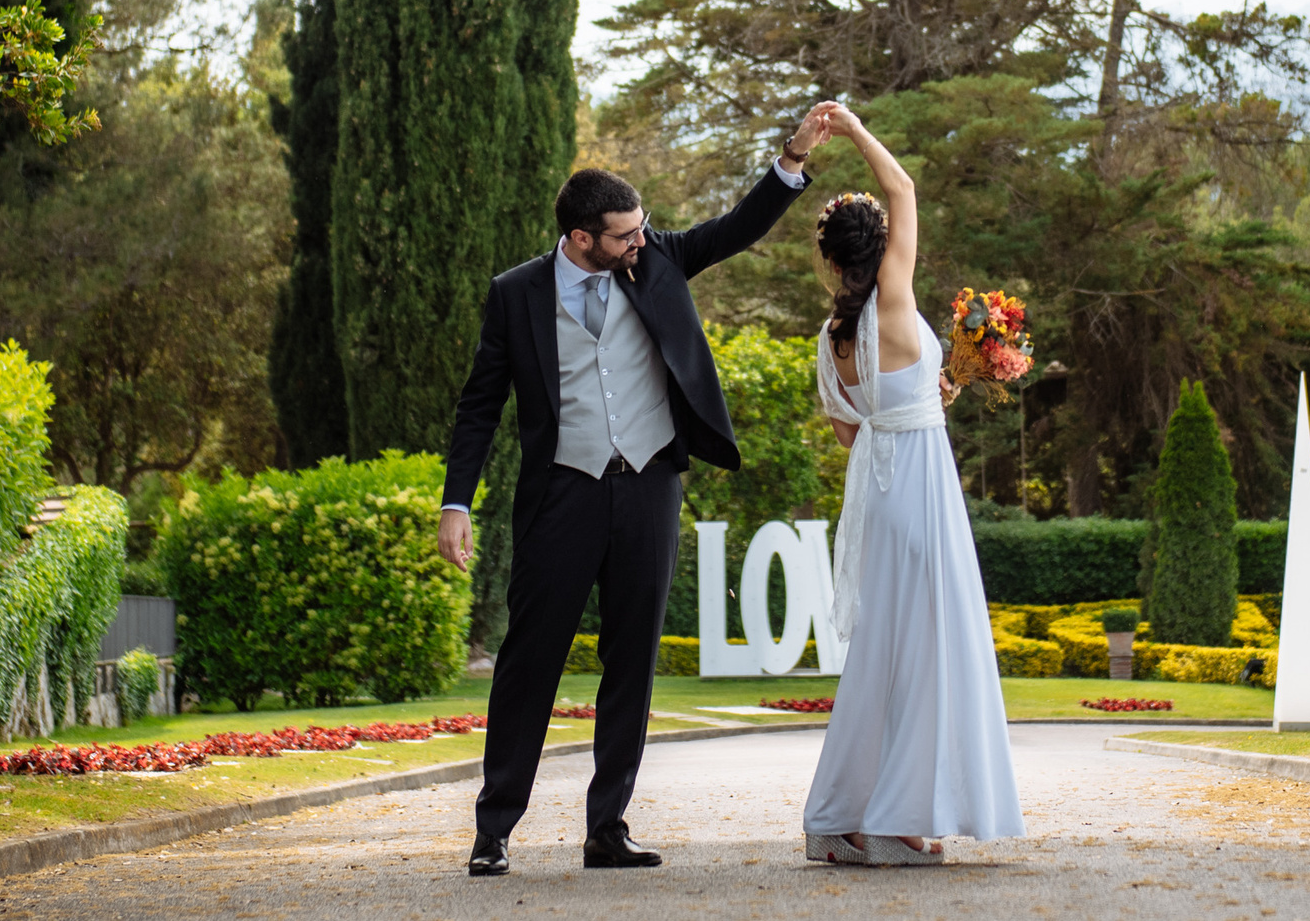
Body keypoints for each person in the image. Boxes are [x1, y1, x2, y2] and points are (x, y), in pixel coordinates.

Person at [438, 106, 835, 877]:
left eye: (641, 227)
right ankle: (494, 827)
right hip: (562, 495)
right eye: (623, 233)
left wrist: (791, 160)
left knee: (633, 661)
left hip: (649, 484)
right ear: (582, 236)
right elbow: (479, 405)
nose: (640, 240)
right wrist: (456, 501)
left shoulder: (654, 260)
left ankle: (606, 826)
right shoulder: (516, 293)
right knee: (530, 661)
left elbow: (734, 228)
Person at [800, 104, 1022, 866]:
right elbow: (905, 189)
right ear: (883, 251)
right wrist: (859, 132)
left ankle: (834, 819)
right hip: (921, 489)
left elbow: (853, 432)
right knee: (929, 651)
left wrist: (931, 394)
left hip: (880, 491)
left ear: (832, 262)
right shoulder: (893, 300)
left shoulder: (831, 342)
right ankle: (893, 820)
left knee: (882, 656)